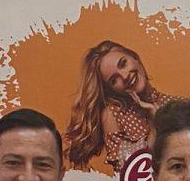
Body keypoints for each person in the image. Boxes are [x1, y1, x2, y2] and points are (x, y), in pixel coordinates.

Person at [64, 40, 171, 172]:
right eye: (114, 80)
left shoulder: (177, 104)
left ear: (135, 58)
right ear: (112, 89)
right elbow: (130, 174)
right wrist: (154, 125)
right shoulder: (113, 115)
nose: (125, 76)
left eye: (123, 63)